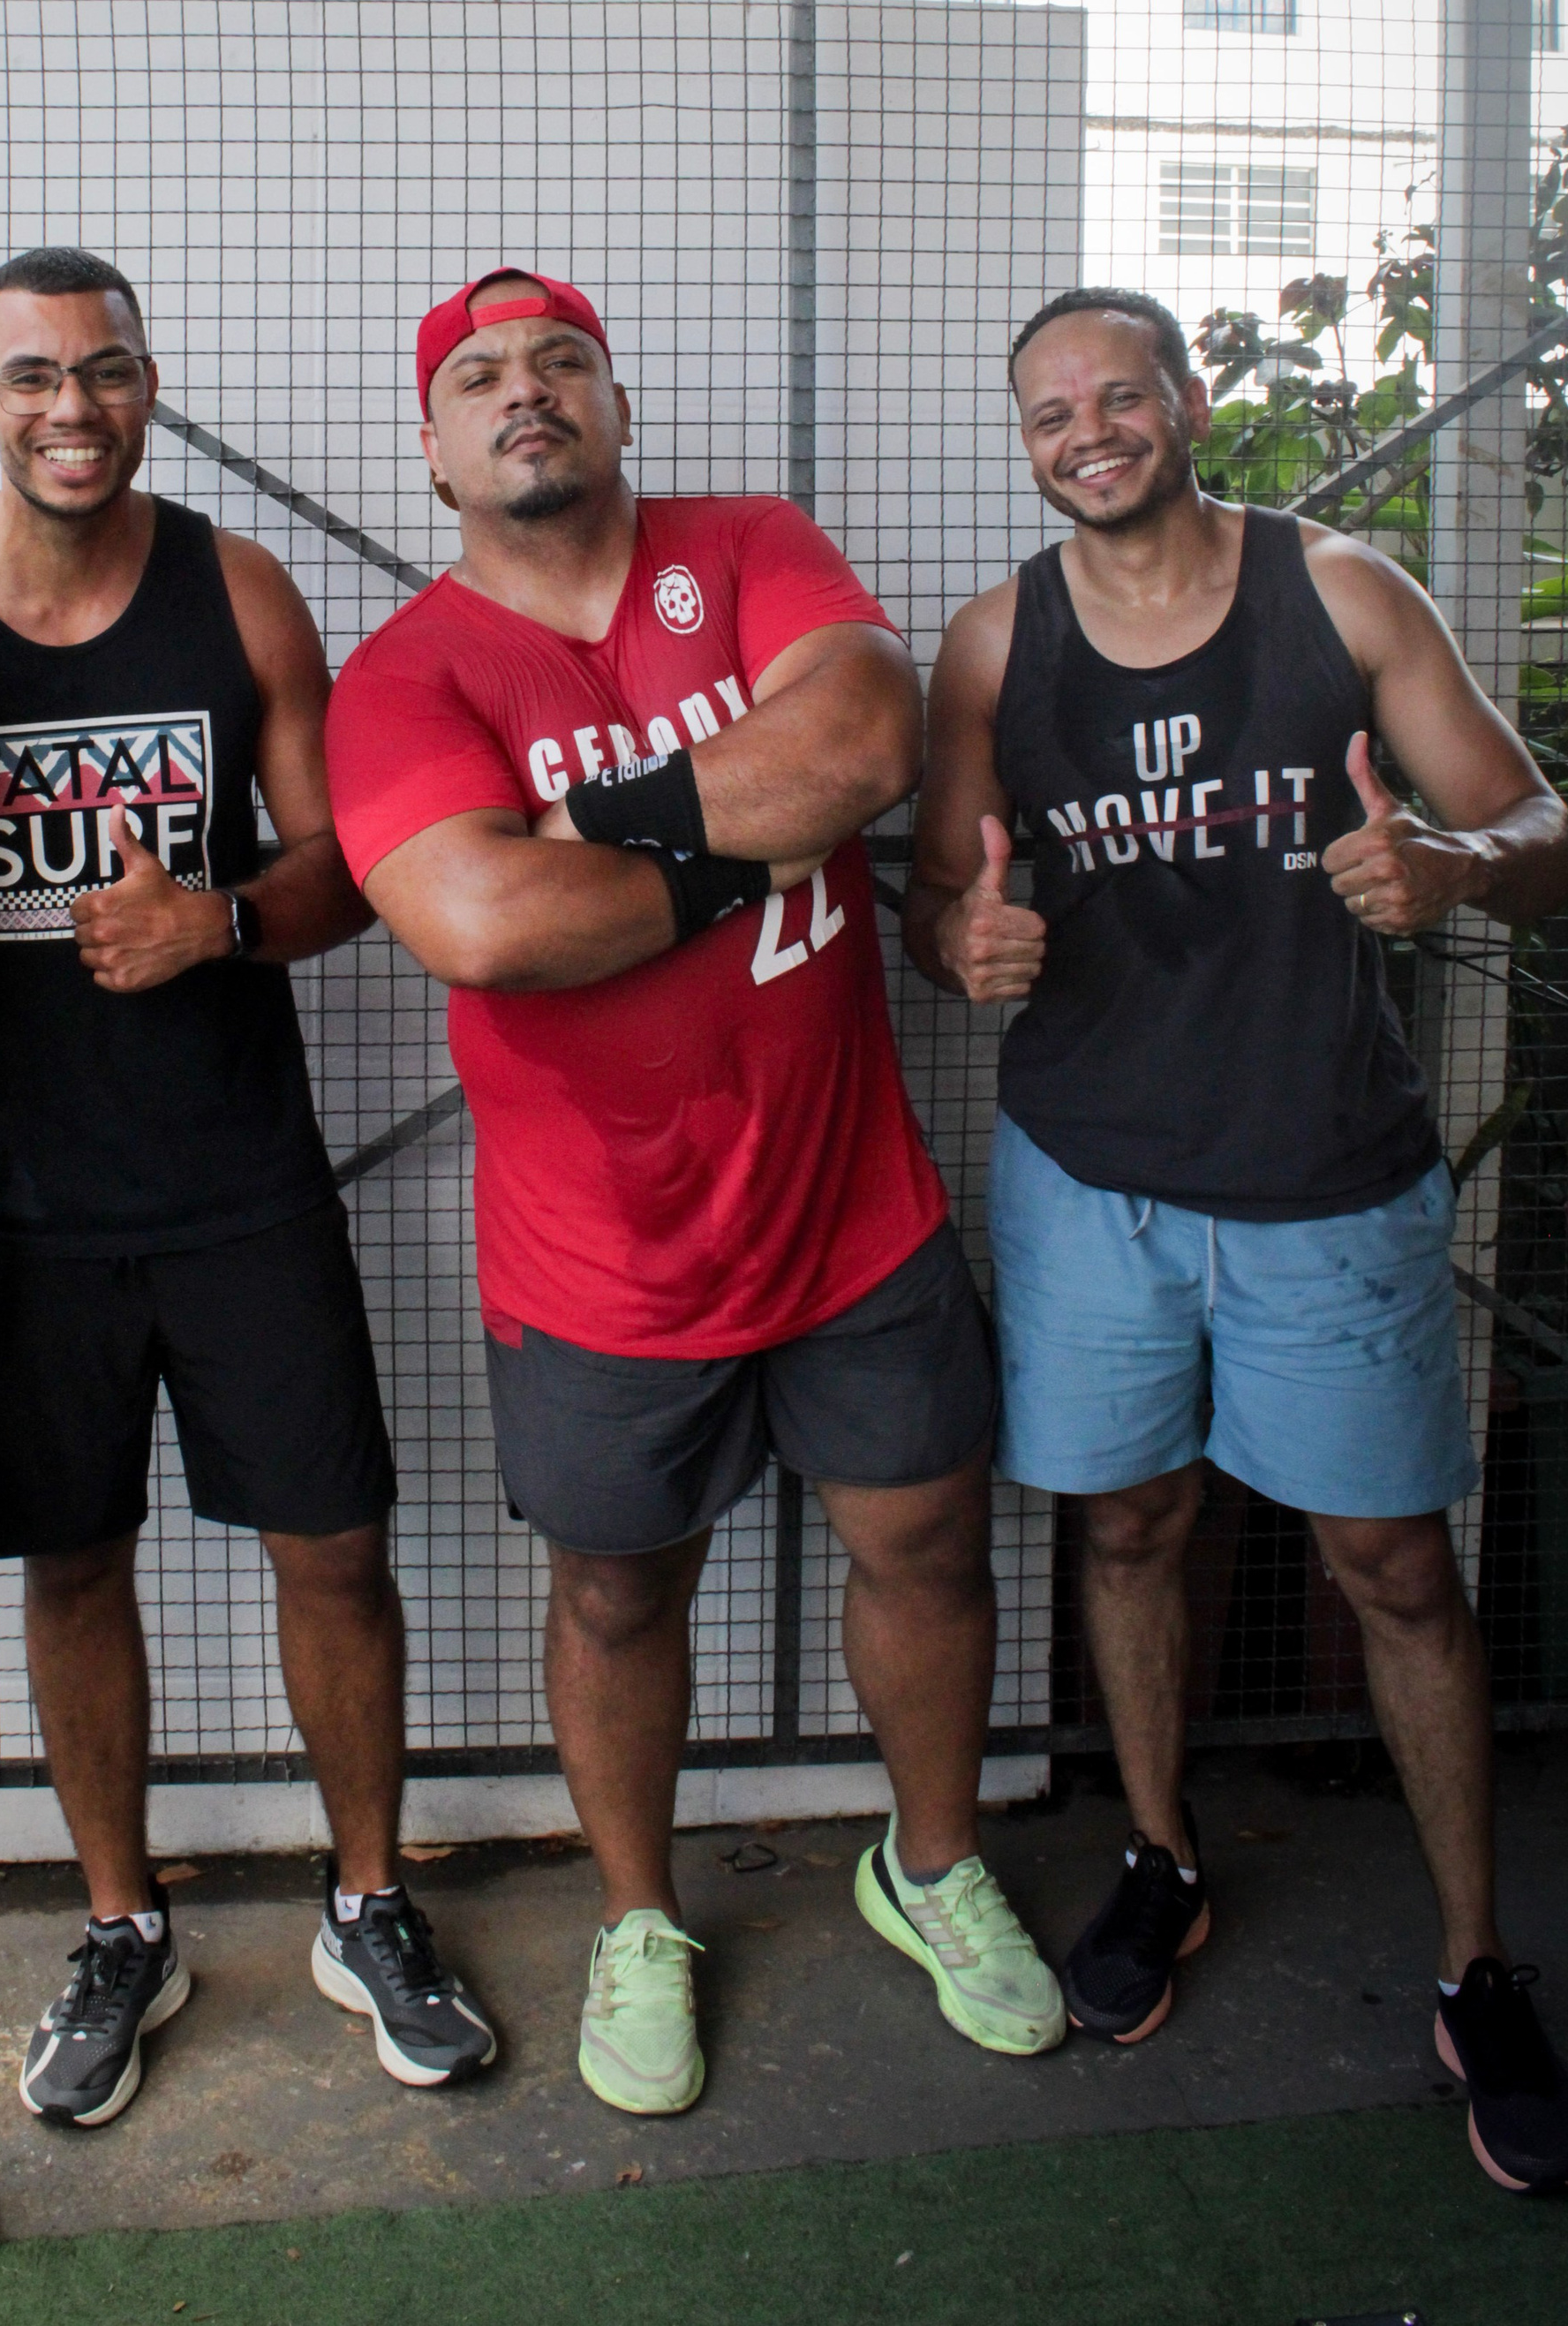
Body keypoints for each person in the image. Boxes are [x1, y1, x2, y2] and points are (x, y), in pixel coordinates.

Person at [324, 266, 1062, 2118]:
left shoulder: (743, 547)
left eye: (560, 360)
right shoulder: (405, 671)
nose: (525, 391)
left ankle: (930, 1858)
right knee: (613, 1596)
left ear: (616, 404)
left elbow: (862, 743)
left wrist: (596, 823)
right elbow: (481, 922)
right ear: (432, 453)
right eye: (478, 376)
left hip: (852, 1209)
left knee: (925, 1546)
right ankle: (640, 1914)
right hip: (599, 1263)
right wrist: (745, 832)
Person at [906, 285, 1568, 2197]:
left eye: (1115, 393)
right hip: (1088, 1178)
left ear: (1187, 403)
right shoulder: (991, 642)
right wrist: (962, 946)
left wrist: (1443, 866)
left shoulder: (1341, 594)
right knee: (1124, 1524)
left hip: (1323, 1174)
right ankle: (1157, 1859)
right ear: (1024, 444)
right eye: (1047, 411)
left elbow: (1544, 835)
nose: (1085, 430)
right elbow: (934, 902)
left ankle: (1472, 1964)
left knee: (1388, 1564)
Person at [0, 246, 496, 2127]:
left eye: (109, 370)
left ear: (147, 388)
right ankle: (122, 1922)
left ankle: (366, 1898)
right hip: (16, 1202)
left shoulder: (236, 589)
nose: (74, 404)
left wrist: (214, 916)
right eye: (33, 374)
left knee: (334, 1546)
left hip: (235, 1177)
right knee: (74, 1557)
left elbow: (345, 864)